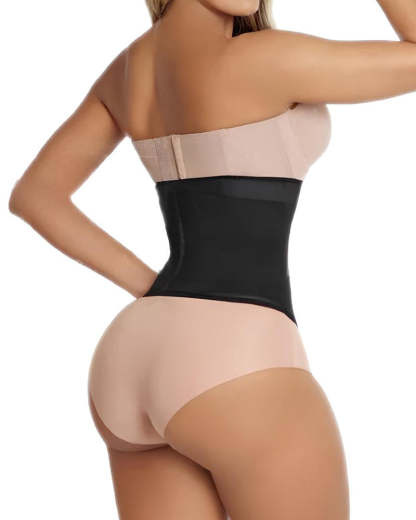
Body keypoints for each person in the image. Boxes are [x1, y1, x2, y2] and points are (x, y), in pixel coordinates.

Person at [8, 0, 416, 518]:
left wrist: (155, 290)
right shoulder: (264, 58)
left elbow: (36, 196)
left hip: (129, 361)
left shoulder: (127, 69)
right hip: (234, 358)